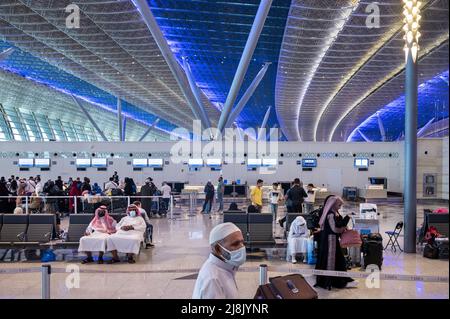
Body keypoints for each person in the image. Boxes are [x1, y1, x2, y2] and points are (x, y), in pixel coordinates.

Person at [192, 222, 245, 299]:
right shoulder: (213, 280)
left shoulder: (225, 268)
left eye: (242, 242)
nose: (242, 247)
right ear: (218, 249)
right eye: (235, 244)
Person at [315, 196, 356, 290]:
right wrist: (347, 218)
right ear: (333, 204)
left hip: (330, 240)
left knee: (337, 260)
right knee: (332, 261)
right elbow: (335, 228)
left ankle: (334, 281)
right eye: (339, 205)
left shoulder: (333, 213)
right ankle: (330, 282)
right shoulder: (331, 214)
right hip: (331, 241)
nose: (340, 207)